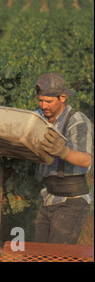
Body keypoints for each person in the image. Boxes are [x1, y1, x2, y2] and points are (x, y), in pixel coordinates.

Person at [34, 72, 93, 244]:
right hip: (49, 197)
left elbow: (87, 160)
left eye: (49, 101)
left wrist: (63, 151)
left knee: (57, 256)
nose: (44, 106)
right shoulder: (38, 117)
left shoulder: (77, 121)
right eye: (40, 100)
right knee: (39, 254)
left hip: (72, 202)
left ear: (63, 98)